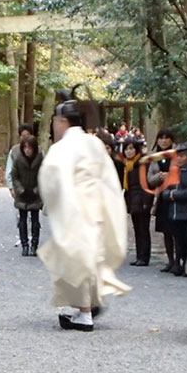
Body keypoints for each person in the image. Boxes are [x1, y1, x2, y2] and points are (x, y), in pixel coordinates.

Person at [37, 92, 130, 331]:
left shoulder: (62, 148)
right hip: (96, 211)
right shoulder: (94, 143)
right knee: (90, 260)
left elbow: (51, 180)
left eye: (56, 122)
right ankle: (88, 306)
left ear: (63, 122)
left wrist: (55, 206)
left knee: (76, 261)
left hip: (74, 212)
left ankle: (85, 312)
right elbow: (109, 178)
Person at [163, 144, 187, 276]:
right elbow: (165, 191)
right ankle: (178, 263)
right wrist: (169, 194)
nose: (179, 159)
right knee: (177, 240)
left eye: (182, 156)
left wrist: (175, 195)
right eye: (177, 156)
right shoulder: (172, 171)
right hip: (173, 212)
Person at [117, 138, 153, 266]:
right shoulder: (128, 165)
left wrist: (146, 201)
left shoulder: (142, 164)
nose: (129, 151)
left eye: (131, 148)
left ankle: (144, 256)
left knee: (143, 228)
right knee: (137, 228)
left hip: (142, 199)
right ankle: (139, 255)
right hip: (132, 199)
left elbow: (145, 184)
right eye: (126, 149)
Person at [148, 129, 177, 272]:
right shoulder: (154, 158)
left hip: (175, 196)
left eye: (167, 138)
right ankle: (170, 260)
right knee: (166, 231)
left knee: (177, 231)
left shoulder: (177, 154)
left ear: (172, 140)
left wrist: (170, 176)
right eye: (161, 138)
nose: (164, 141)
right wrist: (159, 177)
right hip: (161, 198)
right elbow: (149, 179)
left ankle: (179, 260)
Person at [10, 134, 43, 257]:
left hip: (35, 193)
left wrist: (36, 190)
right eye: (25, 147)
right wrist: (21, 190)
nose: (27, 150)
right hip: (22, 193)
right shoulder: (18, 159)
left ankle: (34, 245)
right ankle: (25, 245)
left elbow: (43, 176)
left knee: (35, 220)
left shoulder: (40, 159)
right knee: (22, 220)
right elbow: (15, 176)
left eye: (30, 148)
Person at [5, 123, 34, 247]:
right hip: (19, 186)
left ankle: (33, 237)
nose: (25, 138)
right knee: (20, 214)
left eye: (27, 135)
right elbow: (9, 170)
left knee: (34, 215)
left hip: (34, 187)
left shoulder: (38, 150)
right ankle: (22, 237)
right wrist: (11, 186)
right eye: (23, 136)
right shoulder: (14, 150)